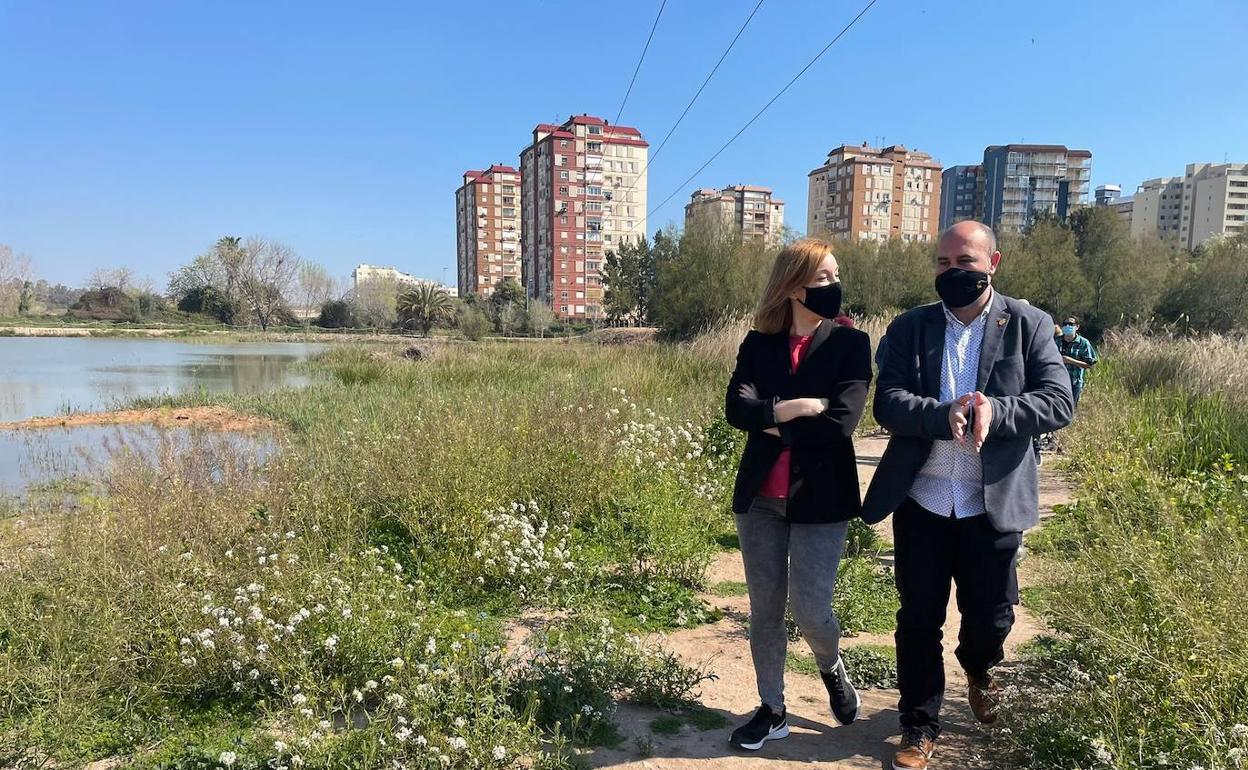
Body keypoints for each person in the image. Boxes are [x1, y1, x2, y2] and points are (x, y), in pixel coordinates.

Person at [863, 221, 1074, 770]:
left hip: (992, 502)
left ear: (993, 262)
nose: (953, 272)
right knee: (918, 618)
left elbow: (1057, 401)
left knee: (991, 617)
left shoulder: (1029, 324)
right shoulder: (910, 328)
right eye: (943, 263)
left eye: (965, 262)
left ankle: (980, 668)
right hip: (924, 500)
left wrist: (995, 412)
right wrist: (941, 414)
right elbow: (887, 401)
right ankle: (918, 725)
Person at [724, 238, 873, 751]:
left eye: (835, 276)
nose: (834, 286)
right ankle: (773, 708)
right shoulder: (757, 344)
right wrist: (791, 409)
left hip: (821, 499)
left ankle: (831, 666)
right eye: (823, 278)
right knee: (765, 609)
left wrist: (769, 417)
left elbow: (840, 423)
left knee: (811, 610)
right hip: (760, 499)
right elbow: (736, 409)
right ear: (792, 285)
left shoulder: (851, 344)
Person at [1057, 316, 1097, 407]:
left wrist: (1071, 361)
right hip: (1058, 380)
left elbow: (1090, 364)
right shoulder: (1056, 341)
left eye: (1071, 324)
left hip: (1074, 382)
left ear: (1077, 326)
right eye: (1065, 324)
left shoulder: (1083, 343)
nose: (1067, 326)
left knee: (1071, 408)